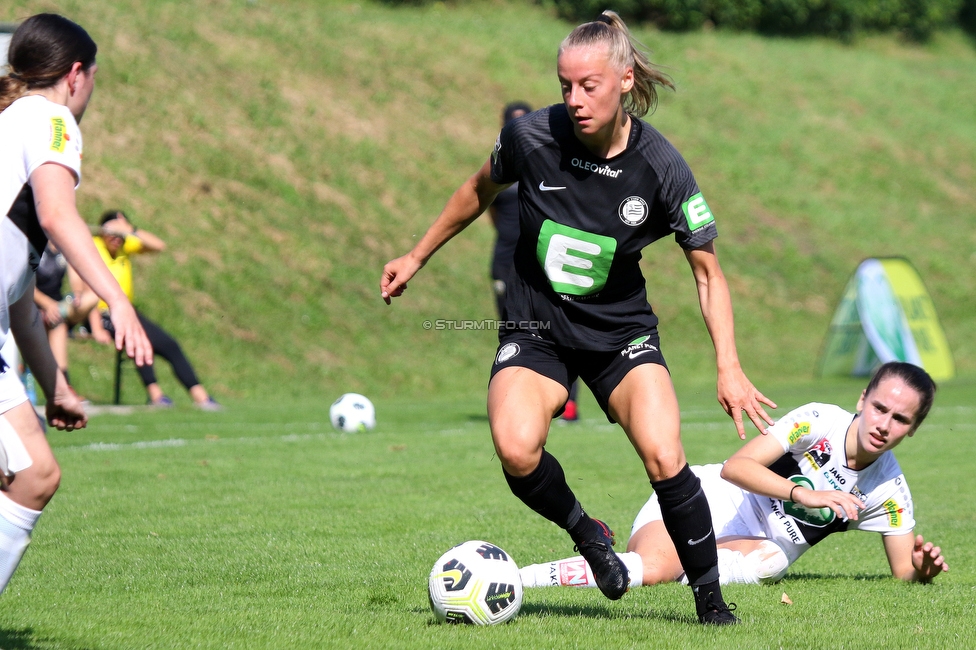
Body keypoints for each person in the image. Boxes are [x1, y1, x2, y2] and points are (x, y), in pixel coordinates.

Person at [380, 11, 774, 625]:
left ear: (623, 80)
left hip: (621, 336)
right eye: (565, 85)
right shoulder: (531, 136)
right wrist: (415, 255)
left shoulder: (662, 167)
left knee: (666, 457)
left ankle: (709, 601)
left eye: (589, 86)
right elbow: (476, 190)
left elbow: (707, 273)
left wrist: (729, 366)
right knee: (516, 448)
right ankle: (589, 535)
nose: (574, 99)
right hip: (536, 329)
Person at [519, 362, 948, 589]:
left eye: (899, 418)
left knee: (772, 563)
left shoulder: (889, 490)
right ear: (862, 398)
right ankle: (520, 579)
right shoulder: (819, 420)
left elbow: (902, 574)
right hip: (709, 500)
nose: (883, 424)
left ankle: (681, 568)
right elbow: (735, 468)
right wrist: (805, 496)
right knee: (652, 569)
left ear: (912, 429)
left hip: (753, 548)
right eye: (879, 408)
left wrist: (922, 570)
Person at [0, 13, 151, 595]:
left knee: (35, 475)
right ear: (77, 73)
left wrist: (55, 384)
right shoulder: (52, 119)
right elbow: (58, 214)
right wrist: (119, 301)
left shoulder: (14, 122)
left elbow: (16, 301)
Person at [488, 101, 581, 422]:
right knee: (516, 330)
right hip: (505, 263)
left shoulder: (547, 165)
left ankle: (568, 401)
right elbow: (488, 208)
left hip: (547, 264)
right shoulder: (498, 168)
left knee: (563, 327)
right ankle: (522, 403)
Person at [86, 211, 221, 410]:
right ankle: (156, 396)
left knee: (169, 344)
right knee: (139, 341)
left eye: (121, 235)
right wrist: (96, 327)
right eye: (113, 233)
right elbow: (85, 289)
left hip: (126, 311)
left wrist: (129, 230)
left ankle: (201, 397)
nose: (117, 239)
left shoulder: (124, 247)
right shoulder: (92, 247)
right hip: (100, 313)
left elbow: (158, 245)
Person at [33, 242, 100, 388]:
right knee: (58, 325)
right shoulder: (35, 245)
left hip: (59, 307)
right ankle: (64, 386)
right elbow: (26, 287)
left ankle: (63, 387)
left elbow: (75, 279)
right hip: (32, 306)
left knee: (93, 296)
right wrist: (48, 305)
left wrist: (77, 294)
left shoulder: (64, 248)